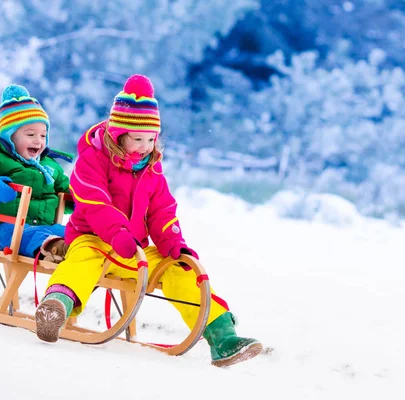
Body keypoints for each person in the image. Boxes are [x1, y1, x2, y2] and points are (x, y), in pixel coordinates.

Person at [34, 74, 262, 367]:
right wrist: (116, 231)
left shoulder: (151, 170)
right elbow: (93, 199)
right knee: (82, 263)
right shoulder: (93, 159)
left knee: (179, 270)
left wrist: (172, 242)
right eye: (137, 139)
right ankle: (57, 307)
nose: (144, 146)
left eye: (150, 139)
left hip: (135, 249)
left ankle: (222, 336)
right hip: (92, 238)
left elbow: (162, 210)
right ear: (118, 135)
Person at [0, 84, 72, 262]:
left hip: (46, 227)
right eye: (30, 134)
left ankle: (76, 250)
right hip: (1, 229)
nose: (38, 141)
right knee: (29, 235)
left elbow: (68, 190)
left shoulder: (49, 165)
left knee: (74, 235)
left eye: (43, 135)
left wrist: (81, 201)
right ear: (10, 135)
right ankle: (54, 249)